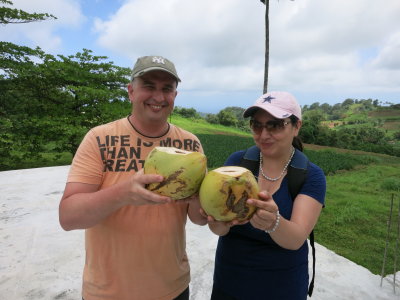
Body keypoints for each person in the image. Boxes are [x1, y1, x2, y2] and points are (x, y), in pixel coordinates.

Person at [59, 55, 207, 300]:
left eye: (167, 89)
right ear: (131, 91)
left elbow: (198, 219)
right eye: (149, 86)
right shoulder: (99, 138)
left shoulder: (190, 145)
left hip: (173, 288)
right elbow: (68, 217)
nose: (158, 97)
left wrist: (198, 201)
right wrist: (123, 193)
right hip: (108, 292)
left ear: (175, 96)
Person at [205, 91, 326, 300]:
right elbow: (219, 228)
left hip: (282, 287)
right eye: (256, 125)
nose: (263, 134)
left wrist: (273, 223)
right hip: (230, 281)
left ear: (297, 127)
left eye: (275, 125)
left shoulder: (310, 175)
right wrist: (217, 221)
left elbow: (296, 239)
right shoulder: (237, 163)